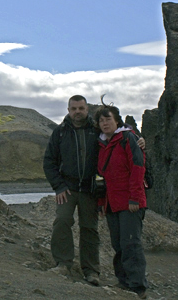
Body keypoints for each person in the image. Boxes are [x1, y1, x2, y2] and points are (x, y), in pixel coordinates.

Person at [43, 95, 101, 286]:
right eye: (74, 108)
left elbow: (119, 135)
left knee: (89, 229)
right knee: (62, 221)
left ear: (87, 109)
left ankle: (91, 271)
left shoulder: (97, 130)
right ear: (68, 110)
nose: (77, 112)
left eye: (81, 108)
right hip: (67, 188)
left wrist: (138, 139)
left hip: (90, 190)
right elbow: (49, 162)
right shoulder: (59, 132)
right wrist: (58, 186)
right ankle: (62, 263)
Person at [95, 104, 149, 299]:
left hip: (130, 202)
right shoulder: (101, 145)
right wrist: (101, 202)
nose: (105, 123)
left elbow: (137, 168)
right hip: (112, 203)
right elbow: (100, 177)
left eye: (108, 119)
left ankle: (137, 287)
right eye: (101, 121)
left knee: (131, 244)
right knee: (118, 244)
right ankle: (123, 281)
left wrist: (135, 197)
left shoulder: (128, 139)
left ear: (117, 120)